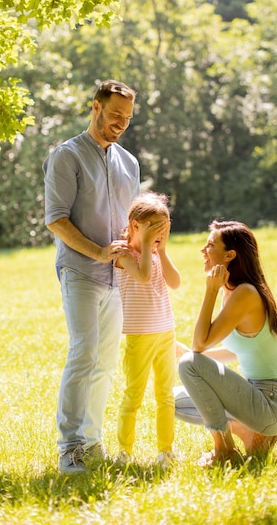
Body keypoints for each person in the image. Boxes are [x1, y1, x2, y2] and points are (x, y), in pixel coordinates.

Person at [43, 79, 140, 474]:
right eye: (115, 114)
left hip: (118, 279)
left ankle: (93, 441)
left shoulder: (129, 162)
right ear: (95, 106)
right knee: (83, 354)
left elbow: (133, 221)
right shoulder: (66, 156)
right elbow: (56, 220)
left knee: (105, 362)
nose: (121, 123)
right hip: (81, 271)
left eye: (128, 118)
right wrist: (99, 252)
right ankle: (70, 447)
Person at [175, 220, 277, 467]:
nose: (202, 250)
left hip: (271, 403)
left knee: (190, 363)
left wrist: (210, 290)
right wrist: (179, 350)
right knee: (171, 400)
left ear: (230, 255)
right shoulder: (233, 292)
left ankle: (224, 450)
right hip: (259, 401)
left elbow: (200, 344)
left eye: (209, 245)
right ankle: (252, 433)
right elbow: (233, 350)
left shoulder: (245, 293)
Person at [114, 192, 181, 468]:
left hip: (165, 332)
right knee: (134, 395)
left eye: (163, 231)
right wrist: (143, 246)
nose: (158, 236)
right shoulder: (122, 253)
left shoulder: (155, 254)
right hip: (139, 335)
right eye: (154, 229)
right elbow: (141, 276)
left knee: (165, 395)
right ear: (135, 225)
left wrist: (161, 251)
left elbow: (175, 283)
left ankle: (166, 451)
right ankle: (124, 452)